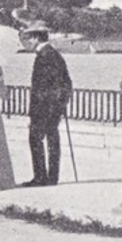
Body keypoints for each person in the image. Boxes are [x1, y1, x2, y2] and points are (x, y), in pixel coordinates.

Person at [21, 22, 73, 186]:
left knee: (35, 139)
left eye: (29, 38)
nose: (28, 42)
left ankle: (40, 177)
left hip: (42, 108)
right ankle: (52, 177)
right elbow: (67, 83)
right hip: (55, 106)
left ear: (36, 37)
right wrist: (61, 103)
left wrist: (33, 112)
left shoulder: (42, 57)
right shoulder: (56, 55)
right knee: (52, 139)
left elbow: (39, 89)